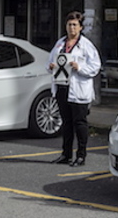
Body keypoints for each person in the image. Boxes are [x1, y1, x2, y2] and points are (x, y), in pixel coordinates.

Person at [47, 11, 101, 166]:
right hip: (62, 87)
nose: (72, 28)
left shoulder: (86, 45)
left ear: (80, 27)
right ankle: (66, 154)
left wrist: (80, 67)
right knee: (66, 123)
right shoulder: (60, 44)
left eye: (75, 25)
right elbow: (49, 61)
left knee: (80, 123)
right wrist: (50, 66)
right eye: (69, 25)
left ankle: (81, 155)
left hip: (78, 89)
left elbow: (95, 66)